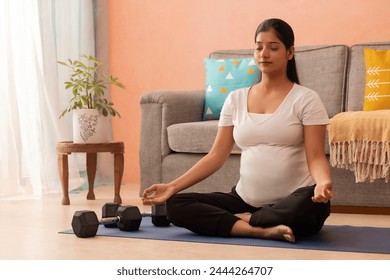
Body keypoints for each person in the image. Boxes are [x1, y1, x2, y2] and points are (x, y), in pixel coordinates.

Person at [142, 18, 333, 243]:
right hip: (244, 199)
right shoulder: (236, 99)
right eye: (259, 47)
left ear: (290, 53)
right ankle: (259, 228)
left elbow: (316, 156)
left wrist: (322, 182)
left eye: (273, 48)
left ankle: (241, 221)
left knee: (310, 207)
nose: (264, 53)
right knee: (176, 205)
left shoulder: (306, 99)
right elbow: (215, 156)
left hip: (292, 200)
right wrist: (173, 186)